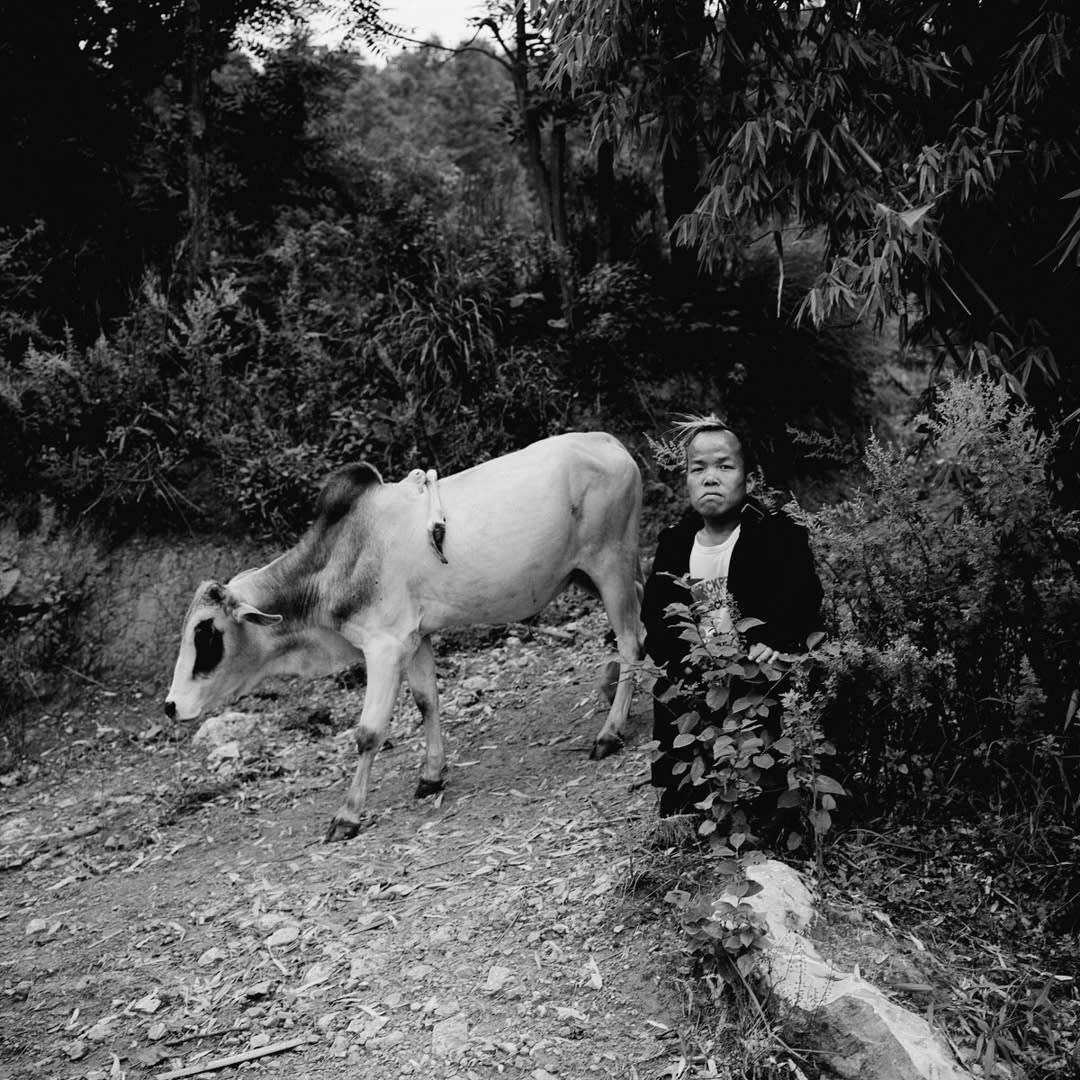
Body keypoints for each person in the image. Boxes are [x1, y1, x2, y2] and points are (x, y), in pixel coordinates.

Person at [642, 416, 824, 815]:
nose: (711, 478)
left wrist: (775, 637)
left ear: (749, 478)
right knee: (679, 733)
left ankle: (778, 802)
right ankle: (685, 798)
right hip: (697, 679)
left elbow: (803, 596)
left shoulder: (776, 533)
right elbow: (655, 618)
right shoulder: (674, 543)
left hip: (754, 678)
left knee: (772, 772)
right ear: (686, 479)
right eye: (698, 468)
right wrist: (681, 666)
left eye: (725, 466)